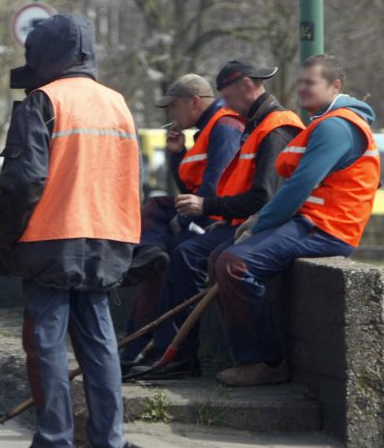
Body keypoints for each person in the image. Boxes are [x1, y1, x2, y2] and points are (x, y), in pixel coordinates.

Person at [0, 14, 140, 448]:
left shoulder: (44, 101)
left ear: (46, 55)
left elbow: (23, 180)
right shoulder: (117, 103)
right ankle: (110, 439)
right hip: (108, 235)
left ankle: (54, 439)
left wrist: (5, 236)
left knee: (47, 341)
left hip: (53, 236)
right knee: (100, 340)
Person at [212, 54, 380, 387]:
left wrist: (258, 223)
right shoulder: (325, 122)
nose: (301, 89)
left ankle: (265, 362)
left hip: (327, 228)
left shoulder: (336, 126)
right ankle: (238, 354)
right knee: (219, 256)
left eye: (310, 83)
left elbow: (299, 186)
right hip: (309, 222)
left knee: (235, 264)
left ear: (335, 86)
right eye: (299, 82)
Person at [129, 60, 303, 379]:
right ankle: (166, 352)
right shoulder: (253, 124)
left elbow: (265, 198)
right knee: (188, 255)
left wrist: (209, 206)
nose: (224, 104)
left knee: (194, 256)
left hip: (260, 226)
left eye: (226, 95)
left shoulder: (274, 127)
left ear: (247, 86)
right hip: (241, 222)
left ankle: (248, 360)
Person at [120, 74, 243, 363]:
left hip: (215, 220)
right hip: (206, 215)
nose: (170, 114)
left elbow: (212, 190)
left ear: (194, 102)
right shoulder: (208, 129)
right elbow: (192, 188)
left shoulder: (223, 128)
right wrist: (178, 155)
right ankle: (149, 254)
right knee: (155, 208)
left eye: (173, 107)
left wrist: (184, 224)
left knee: (171, 262)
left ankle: (143, 348)